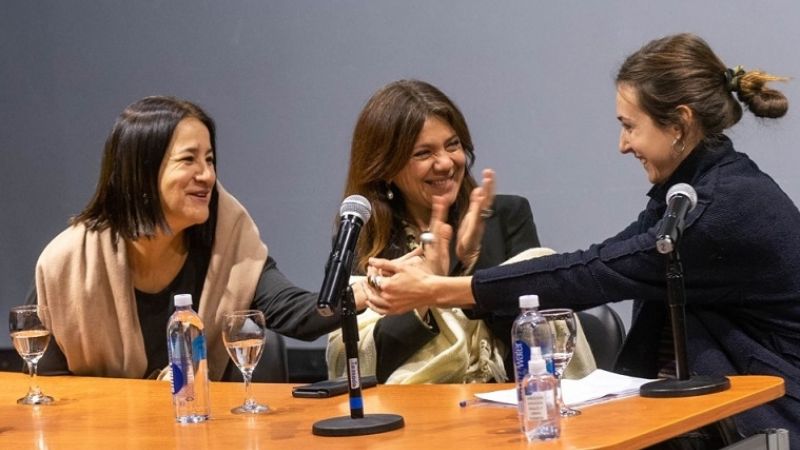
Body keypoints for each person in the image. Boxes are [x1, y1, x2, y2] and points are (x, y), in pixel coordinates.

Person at [365, 34, 799, 445]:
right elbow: (598, 263)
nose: (623, 145)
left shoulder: (721, 206)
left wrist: (441, 290)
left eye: (630, 126)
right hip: (705, 412)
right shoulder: (687, 191)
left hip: (765, 418)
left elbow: (594, 273)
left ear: (680, 123)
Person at [30, 96, 362, 381]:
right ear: (142, 172)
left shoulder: (227, 239)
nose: (206, 175)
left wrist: (368, 290)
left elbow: (296, 314)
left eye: (210, 159)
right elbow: (50, 385)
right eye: (189, 159)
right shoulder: (67, 263)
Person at [326, 80, 596, 384]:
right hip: (416, 415)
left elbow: (537, 330)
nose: (445, 163)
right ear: (386, 168)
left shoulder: (506, 215)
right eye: (423, 153)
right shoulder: (362, 236)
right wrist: (423, 302)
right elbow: (366, 364)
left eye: (452, 145)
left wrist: (466, 263)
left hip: (505, 401)